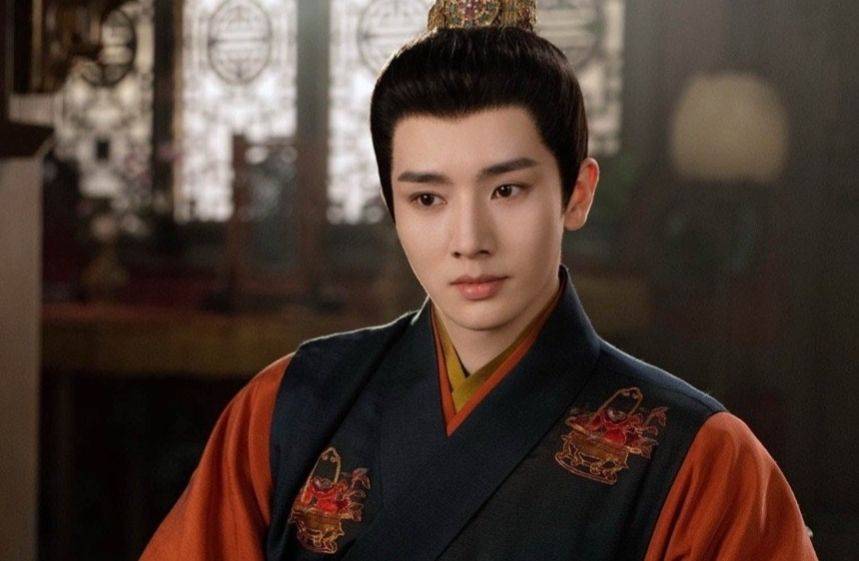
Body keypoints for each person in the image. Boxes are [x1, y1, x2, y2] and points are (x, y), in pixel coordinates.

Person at [140, 1, 818, 560]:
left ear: (577, 193)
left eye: (507, 190)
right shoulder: (287, 407)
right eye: (427, 198)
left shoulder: (702, 461)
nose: (468, 240)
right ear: (392, 206)